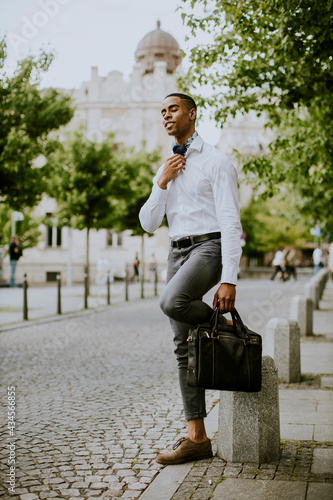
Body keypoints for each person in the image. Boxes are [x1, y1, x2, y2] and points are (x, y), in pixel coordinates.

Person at [139, 93, 242, 465]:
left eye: (173, 109)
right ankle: (196, 437)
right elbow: (148, 222)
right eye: (162, 110)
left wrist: (228, 278)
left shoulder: (216, 161)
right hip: (176, 251)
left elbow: (231, 222)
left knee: (171, 301)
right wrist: (161, 182)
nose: (166, 115)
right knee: (183, 344)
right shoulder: (166, 166)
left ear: (192, 114)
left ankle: (224, 325)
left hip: (209, 248)